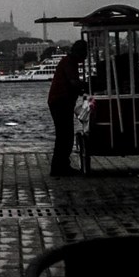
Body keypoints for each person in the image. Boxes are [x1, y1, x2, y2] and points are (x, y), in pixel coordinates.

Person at [47, 40, 87, 177]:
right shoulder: (69, 63)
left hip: (59, 101)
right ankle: (60, 167)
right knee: (65, 135)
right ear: (79, 53)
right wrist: (86, 86)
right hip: (60, 101)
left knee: (63, 135)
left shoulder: (68, 61)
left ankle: (60, 166)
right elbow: (73, 82)